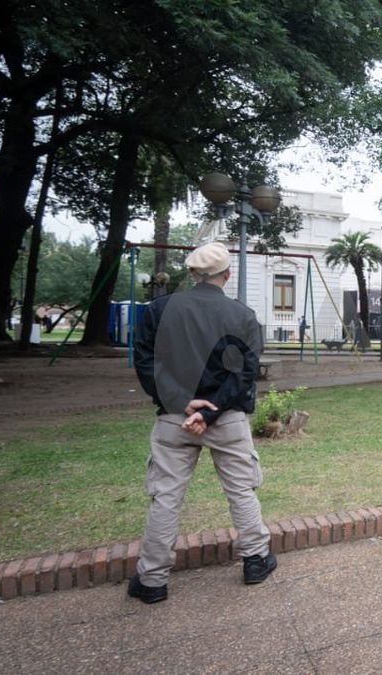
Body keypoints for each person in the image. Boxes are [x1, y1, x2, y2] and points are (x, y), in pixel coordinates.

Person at [129, 242, 275, 604]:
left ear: (193, 273)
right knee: (241, 490)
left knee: (166, 498)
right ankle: (255, 560)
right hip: (226, 419)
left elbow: (145, 363)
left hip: (174, 419)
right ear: (226, 274)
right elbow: (244, 373)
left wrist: (183, 404)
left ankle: (152, 579)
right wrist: (209, 412)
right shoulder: (241, 315)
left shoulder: (159, 310)